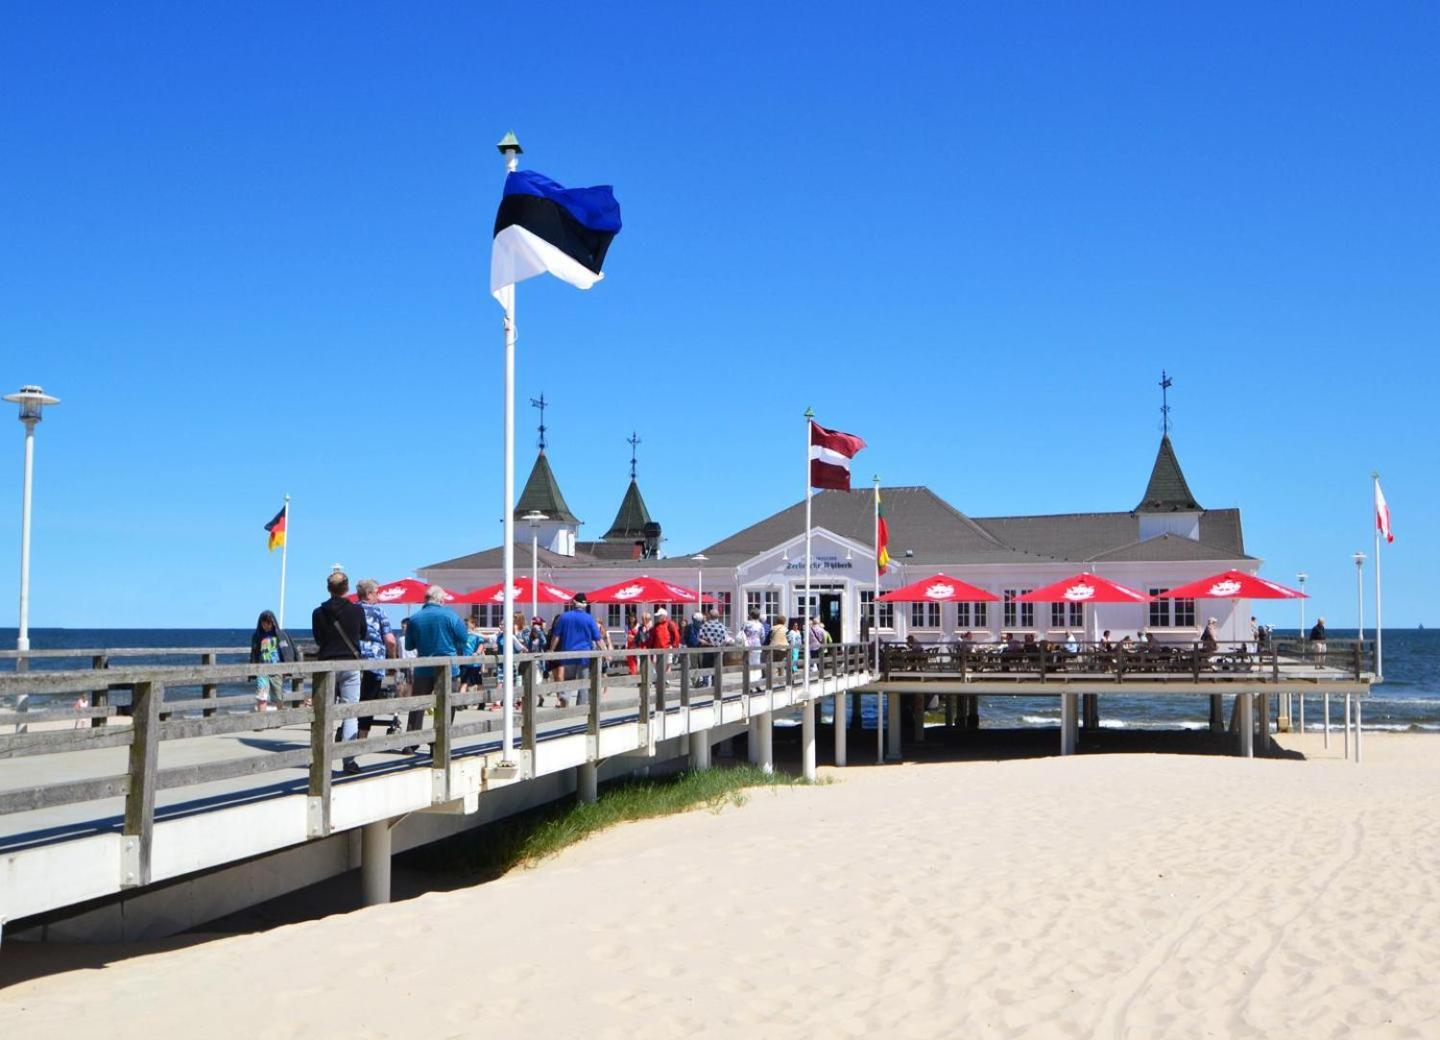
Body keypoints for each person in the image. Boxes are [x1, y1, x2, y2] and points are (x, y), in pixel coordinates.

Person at [311, 571, 367, 775]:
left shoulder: (318, 612)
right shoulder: (356, 611)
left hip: (326, 664)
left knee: (324, 713)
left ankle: (321, 759)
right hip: (350, 663)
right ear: (347, 588)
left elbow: (318, 638)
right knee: (350, 711)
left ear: (328, 589)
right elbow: (363, 634)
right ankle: (349, 760)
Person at [403, 584, 468, 750]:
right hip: (447, 668)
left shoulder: (415, 618)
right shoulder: (451, 615)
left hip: (423, 667)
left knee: (418, 704)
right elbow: (463, 638)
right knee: (446, 705)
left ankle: (411, 742)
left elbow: (409, 646)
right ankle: (438, 742)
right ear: (440, 599)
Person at [355, 578, 398, 740]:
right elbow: (390, 641)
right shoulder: (379, 612)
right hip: (375, 662)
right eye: (377, 592)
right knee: (369, 700)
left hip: (352, 660)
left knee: (351, 699)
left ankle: (347, 731)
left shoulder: (351, 610)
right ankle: (362, 736)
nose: (378, 596)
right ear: (369, 593)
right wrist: (392, 660)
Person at [549, 593, 604, 705]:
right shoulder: (589, 618)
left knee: (568, 678)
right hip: (585, 654)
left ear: (574, 603)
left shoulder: (564, 617)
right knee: (583, 682)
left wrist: (551, 649)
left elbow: (556, 636)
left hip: (568, 653)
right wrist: (607, 652)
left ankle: (564, 697)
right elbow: (598, 639)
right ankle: (581, 705)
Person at [248, 610, 294, 711]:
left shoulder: (280, 635)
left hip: (277, 669)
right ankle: (262, 719)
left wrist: (287, 668)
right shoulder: (257, 636)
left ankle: (280, 716)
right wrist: (252, 670)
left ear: (272, 622)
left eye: (268, 623)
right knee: (261, 696)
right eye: (263, 624)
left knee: (278, 696)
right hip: (262, 670)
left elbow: (287, 651)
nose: (266, 626)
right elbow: (254, 653)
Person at [458, 616, 486, 693]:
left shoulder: (477, 634)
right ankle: (461, 703)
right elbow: (459, 647)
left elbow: (481, 645)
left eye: (467, 623)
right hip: (464, 663)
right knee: (464, 683)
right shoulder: (463, 634)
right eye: (465, 624)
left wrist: (477, 652)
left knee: (478, 683)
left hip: (475, 664)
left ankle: (481, 702)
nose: (465, 625)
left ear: (473, 624)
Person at [741, 608, 766, 691]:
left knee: (748, 665)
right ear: (758, 616)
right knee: (757, 665)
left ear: (751, 615)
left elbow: (741, 634)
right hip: (757, 646)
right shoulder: (760, 625)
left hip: (747, 645)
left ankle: (749, 685)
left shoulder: (746, 624)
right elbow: (762, 637)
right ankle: (756, 684)